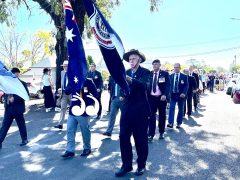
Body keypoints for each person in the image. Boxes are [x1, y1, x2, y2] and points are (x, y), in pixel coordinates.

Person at [115, 49, 151, 177]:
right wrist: (122, 93)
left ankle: (141, 165)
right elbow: (121, 89)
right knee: (123, 138)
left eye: (134, 59)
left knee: (140, 140)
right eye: (130, 59)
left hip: (141, 112)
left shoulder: (146, 73)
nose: (131, 61)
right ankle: (126, 165)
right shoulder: (125, 72)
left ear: (139, 60)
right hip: (127, 111)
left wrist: (130, 80)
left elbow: (144, 86)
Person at [61, 79, 97, 158]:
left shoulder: (88, 82)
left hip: (83, 111)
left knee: (85, 130)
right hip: (73, 110)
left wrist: (87, 105)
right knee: (70, 130)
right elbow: (67, 91)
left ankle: (87, 148)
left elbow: (95, 95)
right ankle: (70, 150)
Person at [0, 68, 29, 149]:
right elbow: (5, 94)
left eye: (17, 74)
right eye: (15, 75)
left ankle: (24, 139)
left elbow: (26, 95)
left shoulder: (22, 83)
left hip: (18, 108)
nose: (17, 76)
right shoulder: (6, 84)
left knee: (21, 125)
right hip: (8, 108)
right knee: (5, 126)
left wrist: (15, 99)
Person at [147, 59, 170, 141]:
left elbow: (168, 85)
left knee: (162, 116)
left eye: (156, 64)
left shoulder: (164, 74)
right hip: (151, 98)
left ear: (160, 65)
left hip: (161, 98)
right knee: (151, 116)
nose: (154, 66)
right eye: (153, 64)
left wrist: (164, 95)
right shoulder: (149, 74)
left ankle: (161, 132)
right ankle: (151, 134)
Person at [167, 63, 188, 129]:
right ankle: (170, 122)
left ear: (180, 68)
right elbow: (168, 85)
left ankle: (179, 123)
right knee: (171, 108)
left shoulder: (184, 76)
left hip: (180, 95)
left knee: (180, 109)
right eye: (175, 67)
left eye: (177, 67)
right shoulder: (171, 76)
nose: (176, 68)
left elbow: (186, 85)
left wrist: (184, 93)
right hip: (173, 95)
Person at [54, 60, 71, 129]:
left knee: (74, 108)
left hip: (71, 93)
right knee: (63, 108)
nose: (65, 67)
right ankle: (60, 124)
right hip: (63, 93)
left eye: (66, 66)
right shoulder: (62, 72)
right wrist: (59, 89)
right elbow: (61, 82)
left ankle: (77, 121)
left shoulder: (72, 73)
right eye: (64, 66)